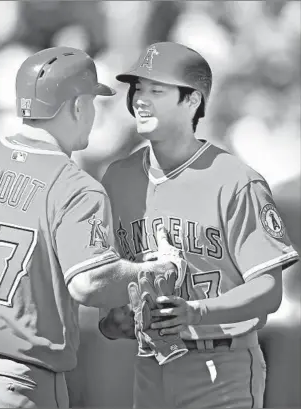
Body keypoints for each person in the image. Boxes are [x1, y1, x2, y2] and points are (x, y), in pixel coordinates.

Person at [0, 46, 177, 408]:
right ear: (77, 106)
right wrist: (153, 270)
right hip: (16, 380)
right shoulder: (75, 186)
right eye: (93, 103)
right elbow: (89, 282)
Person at [98, 42, 299, 409]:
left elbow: (269, 291)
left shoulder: (235, 180)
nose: (141, 99)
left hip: (221, 366)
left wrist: (195, 312)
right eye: (137, 89)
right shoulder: (117, 179)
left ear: (192, 101)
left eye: (156, 90)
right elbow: (108, 311)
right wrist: (118, 321)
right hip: (150, 367)